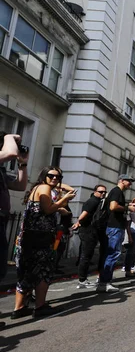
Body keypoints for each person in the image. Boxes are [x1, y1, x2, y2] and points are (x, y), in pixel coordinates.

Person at [12, 167, 76, 319]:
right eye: (51, 175)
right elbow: (47, 209)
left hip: (29, 237)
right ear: (44, 176)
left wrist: (59, 208)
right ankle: (40, 306)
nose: (55, 179)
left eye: (58, 177)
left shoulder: (37, 188)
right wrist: (63, 201)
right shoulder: (45, 188)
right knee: (43, 270)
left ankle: (19, 308)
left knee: (26, 272)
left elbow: (41, 209)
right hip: (39, 238)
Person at [97, 174, 134, 293]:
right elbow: (113, 207)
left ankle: (104, 281)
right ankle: (104, 282)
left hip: (115, 227)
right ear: (122, 181)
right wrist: (128, 207)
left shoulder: (117, 192)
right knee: (113, 253)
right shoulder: (116, 191)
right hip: (114, 227)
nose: (130, 184)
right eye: (129, 181)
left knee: (112, 253)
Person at [0, 133, 28, 285]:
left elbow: (20, 185)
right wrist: (8, 137)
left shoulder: (1, 171)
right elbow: (10, 153)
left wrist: (22, 164)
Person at [72, 185, 108, 288]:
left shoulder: (98, 201)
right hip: (88, 231)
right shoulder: (93, 201)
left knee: (86, 256)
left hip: (90, 231)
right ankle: (82, 280)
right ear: (95, 191)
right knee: (86, 256)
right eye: (101, 192)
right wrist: (78, 222)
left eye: (104, 192)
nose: (103, 194)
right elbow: (85, 213)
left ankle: (82, 279)